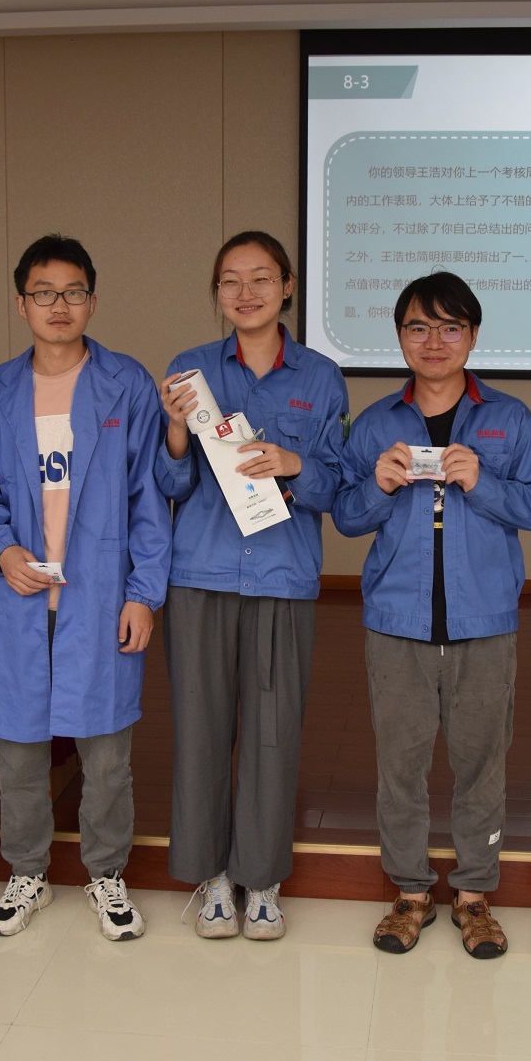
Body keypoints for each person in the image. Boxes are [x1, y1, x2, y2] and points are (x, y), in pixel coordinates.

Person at [333, 271, 531, 959]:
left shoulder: (509, 419)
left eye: (450, 327)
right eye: (418, 327)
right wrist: (376, 486)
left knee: (481, 764)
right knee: (399, 765)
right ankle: (410, 892)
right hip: (396, 622)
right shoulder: (377, 422)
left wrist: (482, 481)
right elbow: (344, 516)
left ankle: (473, 894)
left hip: (483, 620)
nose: (433, 341)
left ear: (473, 335)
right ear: (399, 337)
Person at [0, 234, 171, 942]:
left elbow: (150, 496)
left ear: (92, 299)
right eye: (44, 293)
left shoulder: (127, 383)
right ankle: (26, 871)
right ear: (21, 302)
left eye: (74, 292)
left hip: (100, 595)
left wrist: (143, 593)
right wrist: (1, 551)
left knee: (107, 754)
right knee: (19, 751)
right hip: (21, 598)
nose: (59, 306)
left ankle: (105, 872)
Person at [157, 231, 349, 940]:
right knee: (200, 732)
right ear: (216, 292)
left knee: (273, 735)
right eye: (231, 280)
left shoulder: (322, 378)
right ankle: (210, 877)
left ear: (288, 286)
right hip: (200, 573)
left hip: (281, 574)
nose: (246, 293)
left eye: (261, 278)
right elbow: (169, 482)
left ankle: (261, 879)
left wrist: (292, 463)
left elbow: (339, 484)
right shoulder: (190, 372)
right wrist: (177, 432)